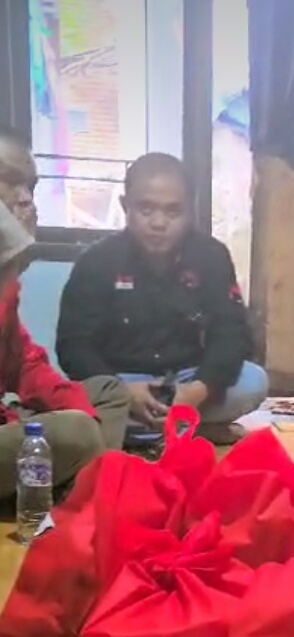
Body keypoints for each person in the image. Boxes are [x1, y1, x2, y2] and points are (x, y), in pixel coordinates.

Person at [56, 152, 268, 445]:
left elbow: (231, 334)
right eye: (146, 209)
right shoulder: (97, 262)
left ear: (190, 211)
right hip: (121, 382)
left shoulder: (212, 256)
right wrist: (122, 392)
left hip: (187, 382)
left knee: (253, 381)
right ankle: (183, 430)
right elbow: (74, 347)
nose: (158, 223)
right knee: (74, 401)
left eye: (173, 211)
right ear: (125, 206)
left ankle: (142, 432)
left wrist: (197, 391)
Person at [0, 203, 127, 498]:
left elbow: (27, 364)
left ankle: (79, 484)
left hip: (8, 421)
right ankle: (79, 488)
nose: (27, 204)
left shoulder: (7, 296)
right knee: (76, 431)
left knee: (108, 392)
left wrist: (79, 408)